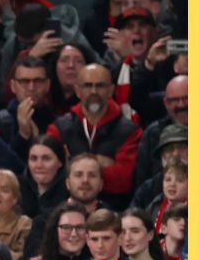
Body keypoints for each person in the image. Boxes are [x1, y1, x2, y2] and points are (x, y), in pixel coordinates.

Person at [47, 64, 143, 209]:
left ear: (111, 90)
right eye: (87, 85)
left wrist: (74, 164)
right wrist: (101, 162)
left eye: (100, 85)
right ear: (77, 90)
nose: (93, 91)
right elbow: (53, 177)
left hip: (114, 211)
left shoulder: (130, 131)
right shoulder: (59, 128)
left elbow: (123, 181)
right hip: (66, 211)